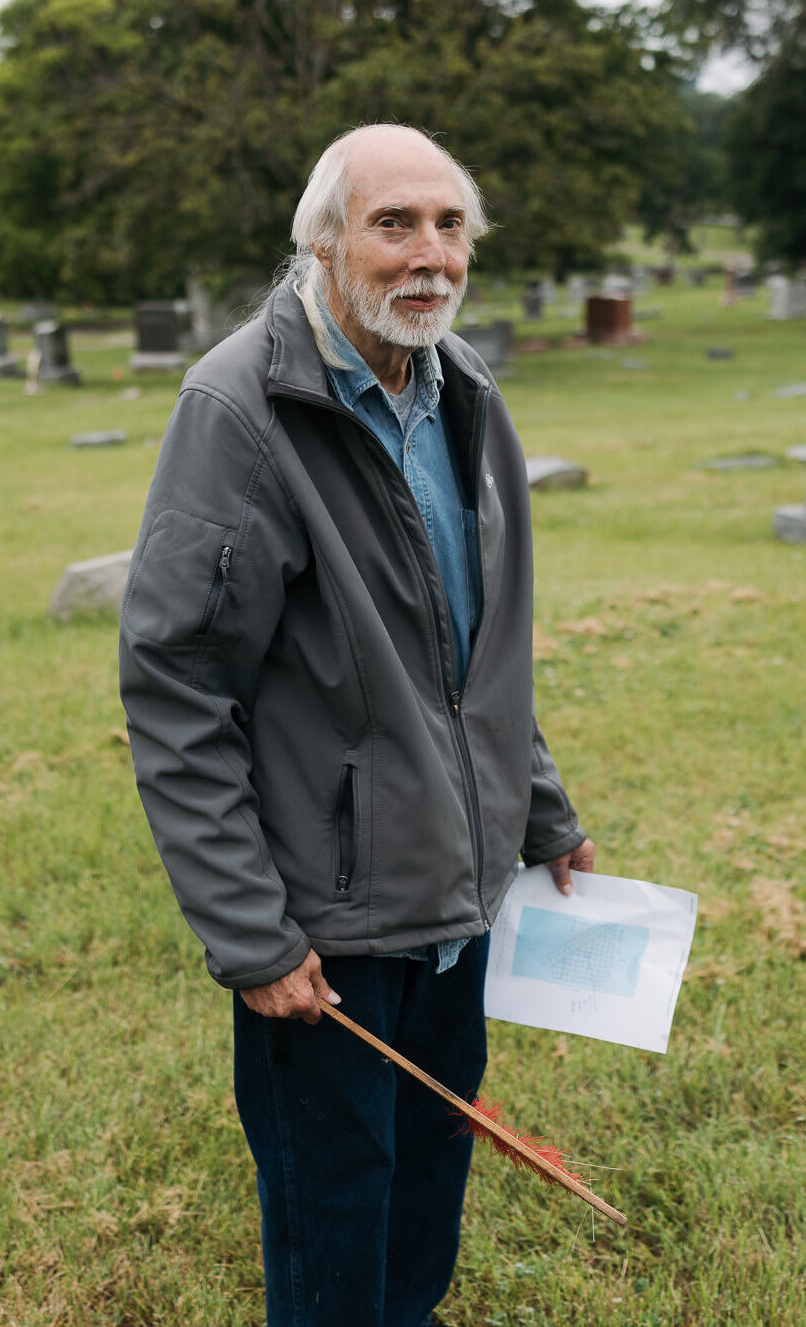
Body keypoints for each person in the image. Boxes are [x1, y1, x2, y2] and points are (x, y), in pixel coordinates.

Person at [118, 123, 596, 1327]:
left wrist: (538, 810)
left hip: (461, 887)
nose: (429, 254)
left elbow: (477, 650)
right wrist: (251, 933)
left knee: (431, 1170)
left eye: (450, 226)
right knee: (337, 1205)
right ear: (326, 242)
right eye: (395, 225)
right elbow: (180, 689)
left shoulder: (462, 389)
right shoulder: (242, 410)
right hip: (325, 920)